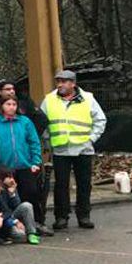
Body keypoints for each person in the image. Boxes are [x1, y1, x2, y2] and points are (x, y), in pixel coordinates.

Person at [43, 69, 107, 230]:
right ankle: (61, 217)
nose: (60, 84)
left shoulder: (88, 98)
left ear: (73, 83)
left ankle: (84, 216)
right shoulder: (49, 99)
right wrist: (47, 142)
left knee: (84, 184)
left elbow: (100, 120)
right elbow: (42, 122)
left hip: (83, 149)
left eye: (64, 81)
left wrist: (91, 139)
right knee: (61, 185)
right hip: (60, 149)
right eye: (58, 81)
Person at [0, 96, 51, 236]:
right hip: (4, 168)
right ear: (1, 106)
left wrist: (35, 161)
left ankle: (37, 222)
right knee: (6, 197)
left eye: (14, 104)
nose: (11, 107)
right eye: (8, 104)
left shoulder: (25, 122)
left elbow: (34, 142)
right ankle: (11, 225)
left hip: (24, 165)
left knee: (31, 193)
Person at [0, 168, 42, 244]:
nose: (12, 180)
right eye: (9, 177)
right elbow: (5, 210)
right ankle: (7, 234)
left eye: (12, 177)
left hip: (12, 215)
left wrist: (12, 194)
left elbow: (17, 205)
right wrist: (15, 221)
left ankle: (32, 233)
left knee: (26, 205)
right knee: (20, 234)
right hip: (4, 219)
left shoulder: (11, 187)